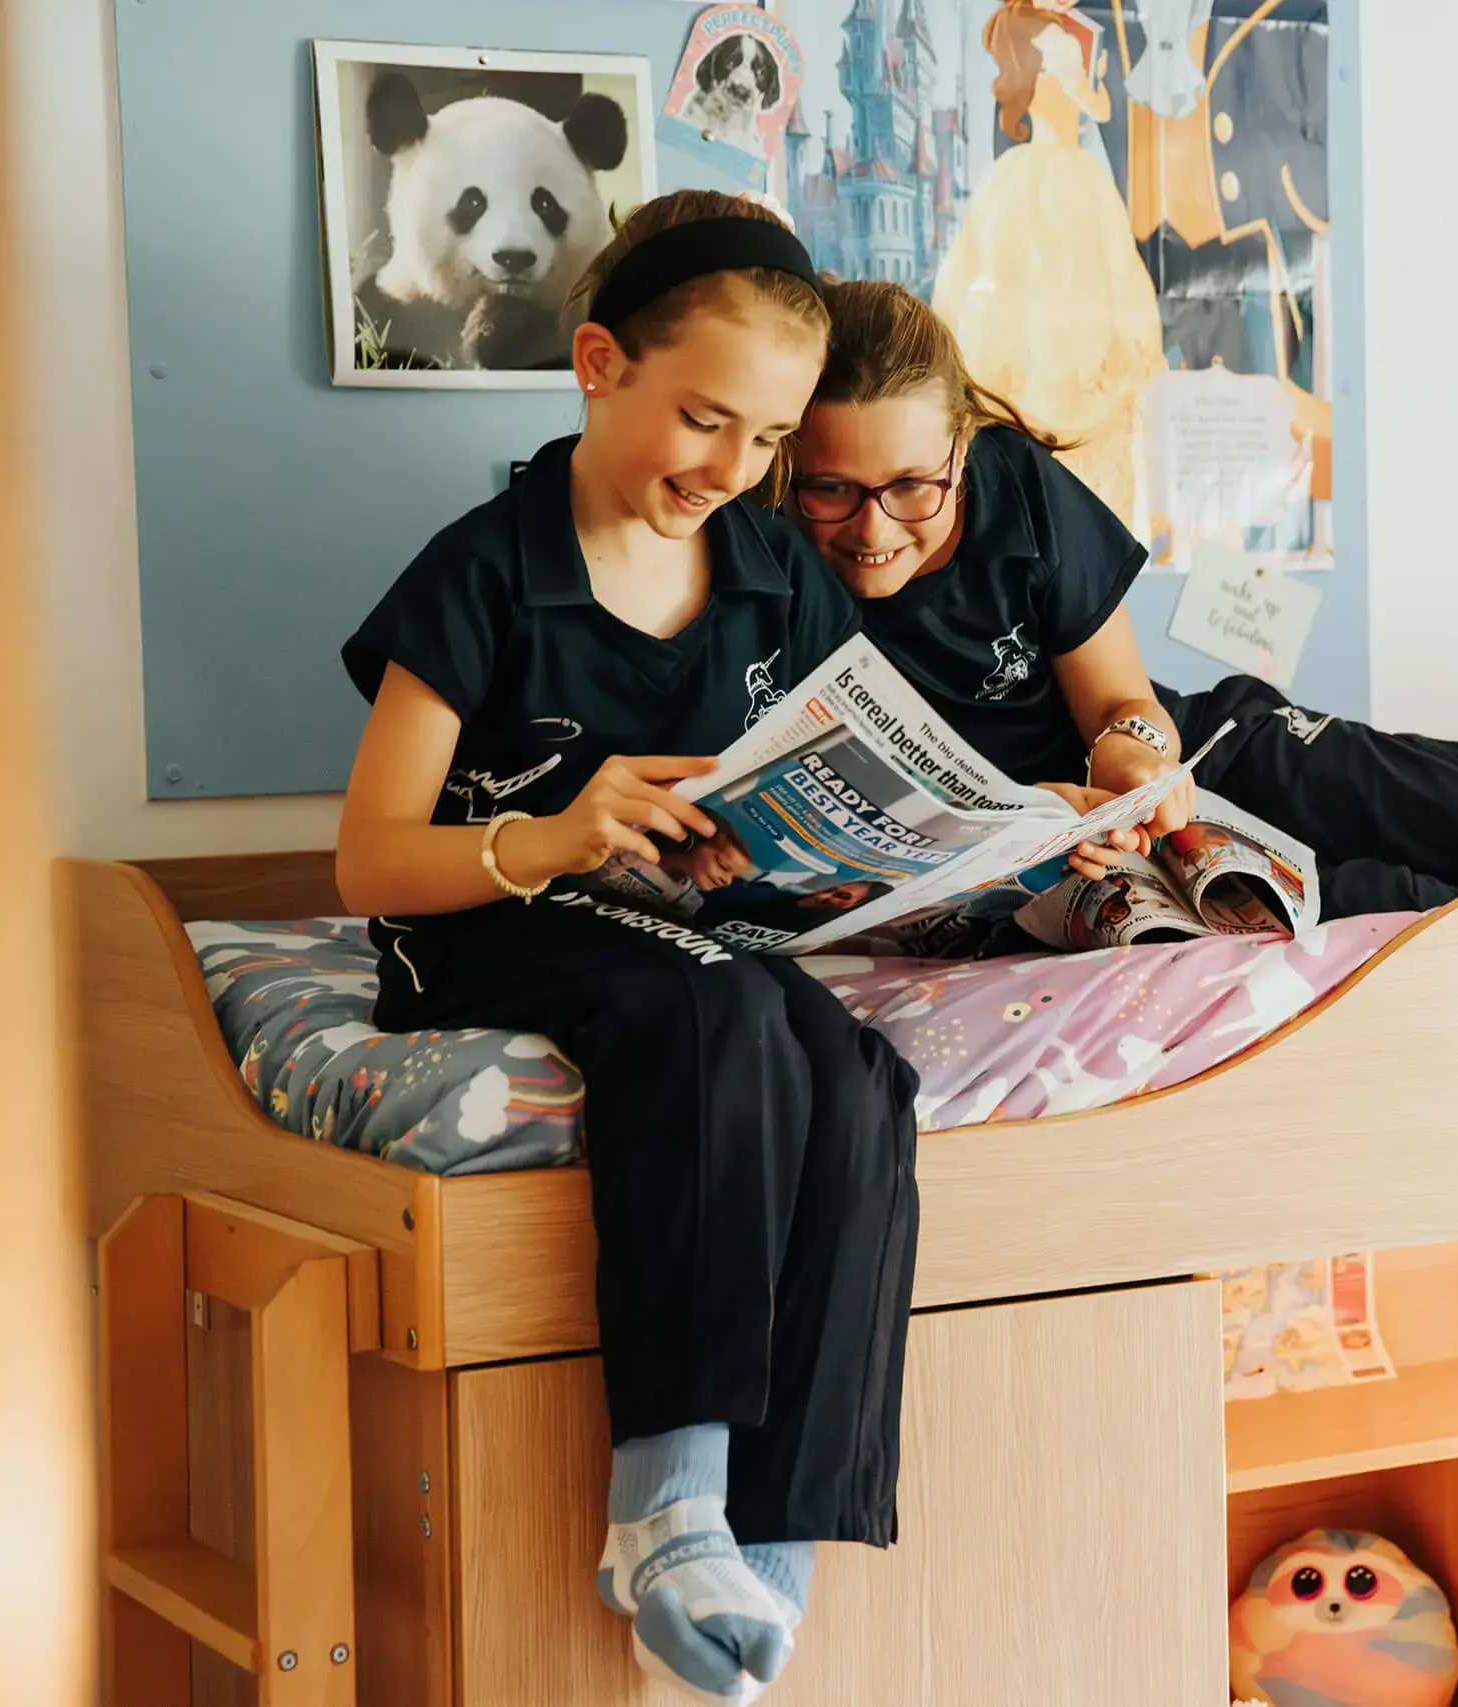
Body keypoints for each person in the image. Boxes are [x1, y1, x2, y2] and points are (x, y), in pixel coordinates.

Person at [335, 193, 917, 1706]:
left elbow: (828, 773)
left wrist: (809, 851)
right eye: (704, 418)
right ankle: (667, 1503)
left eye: (772, 441)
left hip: (677, 933)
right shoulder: (481, 571)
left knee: (857, 1074)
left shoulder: (771, 571)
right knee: (715, 1011)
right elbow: (368, 857)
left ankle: (776, 1537)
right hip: (487, 924)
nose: (733, 471)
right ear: (598, 362)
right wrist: (553, 832)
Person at [780, 280, 1458, 919]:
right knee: (1393, 901)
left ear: (962, 450)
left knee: (1430, 796)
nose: (873, 528)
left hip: (1175, 762)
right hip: (1064, 858)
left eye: (911, 486)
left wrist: (1131, 754)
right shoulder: (764, 563)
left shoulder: (1017, 489)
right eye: (831, 490)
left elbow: (1125, 703)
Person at [931, 0, 1164, 533]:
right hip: (1059, 179)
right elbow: (1097, 106)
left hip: (1051, 174)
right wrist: (1093, 74)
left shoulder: (1042, 53)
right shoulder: (1057, 46)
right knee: (1047, 304)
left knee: (1052, 309)